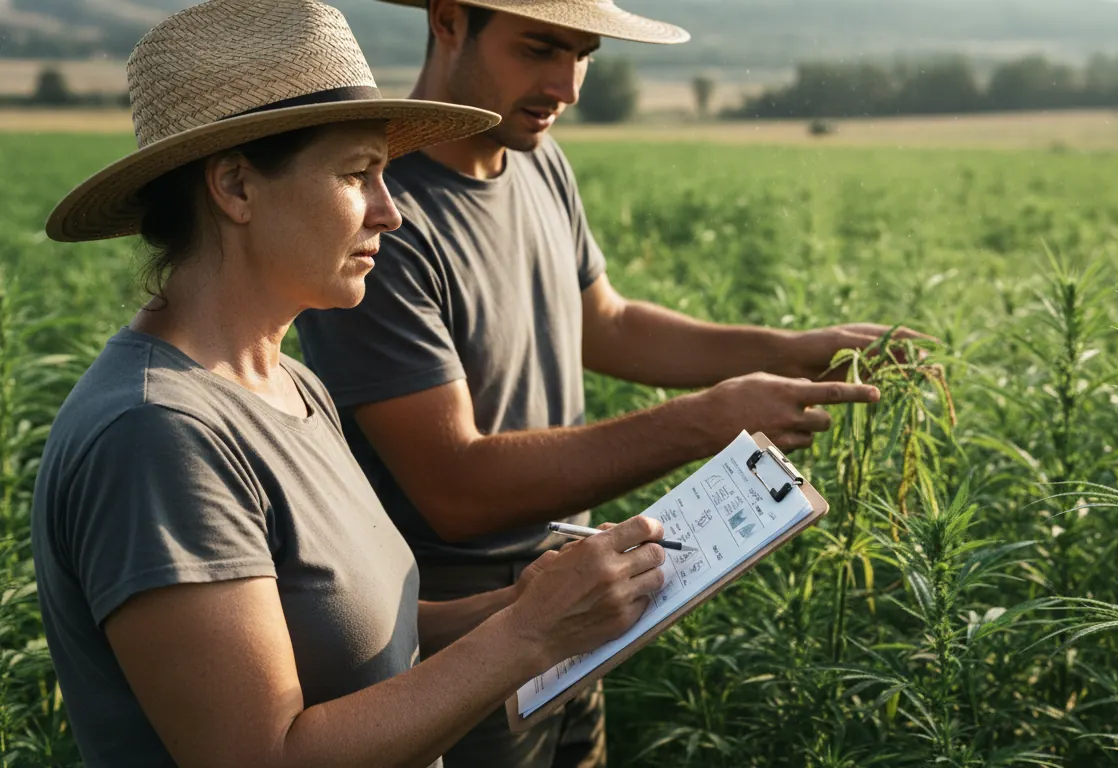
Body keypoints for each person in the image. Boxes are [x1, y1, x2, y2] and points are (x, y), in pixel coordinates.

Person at [292, 0, 936, 764]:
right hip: (457, 629)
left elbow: (608, 322)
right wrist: (705, 421)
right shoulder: (377, 221)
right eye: (538, 48)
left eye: (583, 53)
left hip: (575, 589)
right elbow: (456, 489)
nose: (565, 84)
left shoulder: (535, 161)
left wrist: (792, 351)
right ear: (447, 21)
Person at [30, 2, 670, 767]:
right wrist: (527, 634)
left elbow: (364, 635)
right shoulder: (156, 436)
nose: (390, 212)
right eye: (357, 174)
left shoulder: (290, 385)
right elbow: (264, 755)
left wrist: (527, 602)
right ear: (235, 187)